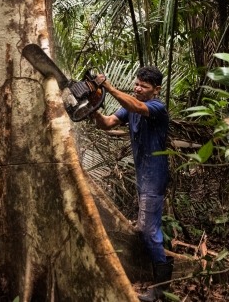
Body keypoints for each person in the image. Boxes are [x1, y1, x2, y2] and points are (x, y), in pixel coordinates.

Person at [90, 66, 173, 301]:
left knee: (148, 230)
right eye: (136, 84)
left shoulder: (156, 107)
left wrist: (108, 86)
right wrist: (94, 107)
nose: (137, 89)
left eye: (143, 87)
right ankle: (160, 279)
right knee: (148, 228)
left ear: (156, 90)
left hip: (154, 178)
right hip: (142, 177)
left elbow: (137, 107)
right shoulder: (130, 106)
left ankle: (162, 289)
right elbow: (106, 123)